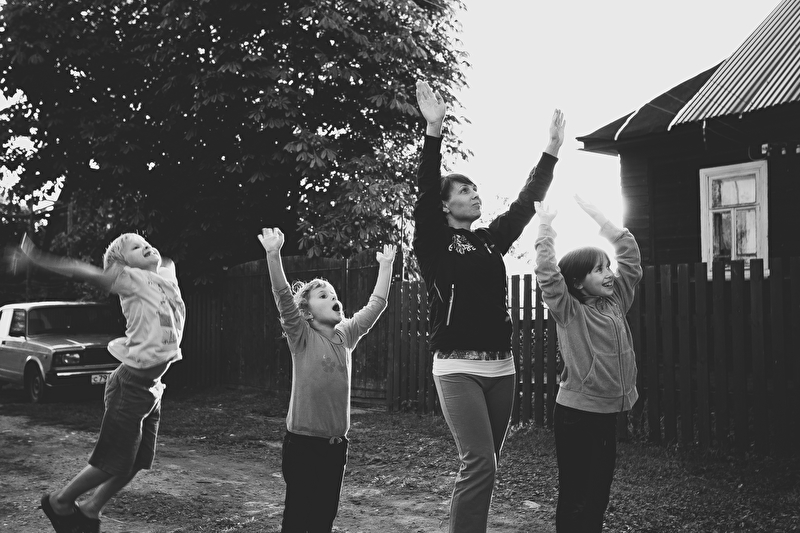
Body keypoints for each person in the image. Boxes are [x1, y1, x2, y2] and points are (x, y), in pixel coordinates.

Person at [413, 79, 564, 533]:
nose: (475, 194)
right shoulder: (434, 242)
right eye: (464, 190)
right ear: (444, 206)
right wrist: (433, 131)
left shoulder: (489, 241)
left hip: (502, 369)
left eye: (476, 189)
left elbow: (525, 203)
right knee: (479, 462)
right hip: (456, 368)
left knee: (487, 465)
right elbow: (425, 190)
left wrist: (551, 151)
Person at [11, 232, 186, 533]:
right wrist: (36, 259)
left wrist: (153, 258)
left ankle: (91, 510)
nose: (145, 246)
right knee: (112, 462)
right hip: (130, 384)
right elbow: (82, 270)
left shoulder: (166, 278)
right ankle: (60, 501)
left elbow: (167, 262)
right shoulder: (130, 280)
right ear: (122, 266)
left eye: (146, 242)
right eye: (135, 247)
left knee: (137, 461)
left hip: (152, 388)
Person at [257, 227, 395, 533]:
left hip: (335, 448)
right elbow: (283, 296)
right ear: (307, 312)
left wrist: (385, 266)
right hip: (302, 446)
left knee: (323, 519)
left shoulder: (347, 335)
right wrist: (273, 254)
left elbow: (376, 304)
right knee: (297, 519)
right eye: (323, 296)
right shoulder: (301, 336)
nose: (333, 298)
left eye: (334, 295)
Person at [533, 196, 643, 532]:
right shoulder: (569, 311)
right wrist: (545, 227)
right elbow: (548, 274)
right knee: (576, 494)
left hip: (606, 414)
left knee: (598, 495)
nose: (609, 274)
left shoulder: (616, 302)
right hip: (577, 416)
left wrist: (600, 218)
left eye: (608, 266)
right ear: (578, 282)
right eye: (599, 269)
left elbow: (631, 259)